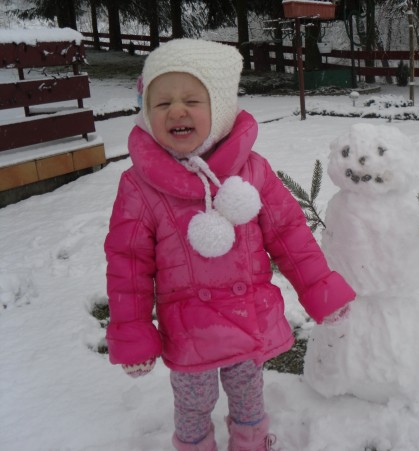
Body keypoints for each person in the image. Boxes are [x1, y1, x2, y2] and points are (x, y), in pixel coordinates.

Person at [104, 38, 355, 451]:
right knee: (192, 406)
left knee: (248, 396)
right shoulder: (139, 186)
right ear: (146, 113)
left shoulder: (251, 171)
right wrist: (132, 329)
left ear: (219, 110)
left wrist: (319, 288)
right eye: (161, 103)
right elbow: (127, 264)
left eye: (191, 99)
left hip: (246, 317)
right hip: (188, 331)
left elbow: (289, 233)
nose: (177, 111)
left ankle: (251, 443)